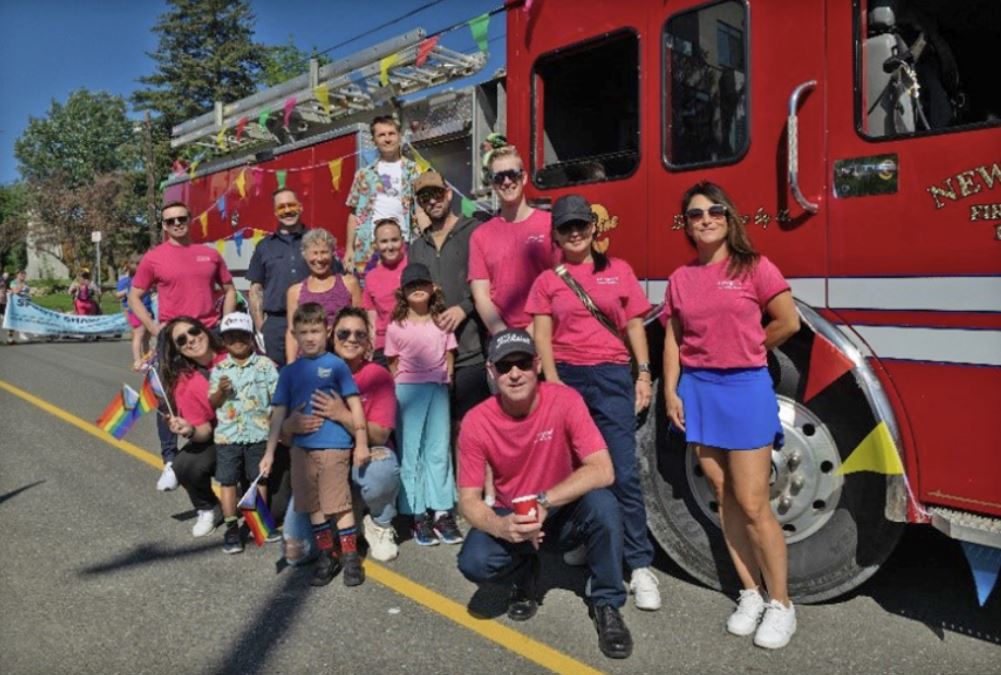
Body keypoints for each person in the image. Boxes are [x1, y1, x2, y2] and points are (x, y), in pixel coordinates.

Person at [662, 181, 801, 650]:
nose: (705, 219)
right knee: (722, 495)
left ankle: (782, 604)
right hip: (699, 390)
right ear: (687, 225)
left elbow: (788, 320)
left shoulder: (754, 267)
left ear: (729, 217)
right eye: (695, 214)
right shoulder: (681, 278)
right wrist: (672, 392)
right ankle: (750, 593)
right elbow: (674, 338)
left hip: (744, 389)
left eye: (714, 211)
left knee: (753, 500)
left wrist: (749, 348)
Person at [456, 329, 634, 660]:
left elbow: (603, 469)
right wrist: (501, 527)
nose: (514, 373)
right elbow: (468, 499)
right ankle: (525, 575)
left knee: (606, 506)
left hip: (562, 507)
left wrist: (545, 502)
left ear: (537, 364)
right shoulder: (476, 422)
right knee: (473, 562)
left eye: (522, 363)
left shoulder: (565, 400)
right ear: (491, 372)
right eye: (504, 366)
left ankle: (607, 604)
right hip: (515, 515)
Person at [525, 194, 661, 611]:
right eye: (567, 227)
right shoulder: (547, 281)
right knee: (575, 471)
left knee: (621, 470)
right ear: (557, 236)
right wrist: (552, 386)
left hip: (611, 376)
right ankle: (592, 539)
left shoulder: (618, 271)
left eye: (582, 225)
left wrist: (642, 372)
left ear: (593, 229)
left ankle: (639, 566)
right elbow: (542, 338)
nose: (576, 232)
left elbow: (635, 325)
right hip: (567, 376)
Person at [260, 302, 370, 587]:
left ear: (327, 332)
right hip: (300, 450)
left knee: (339, 504)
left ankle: (350, 557)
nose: (310, 337)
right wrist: (270, 452)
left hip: (334, 446)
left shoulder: (336, 366)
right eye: (304, 332)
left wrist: (360, 443)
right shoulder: (289, 373)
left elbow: (355, 406)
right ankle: (327, 553)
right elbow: (278, 415)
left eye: (316, 331)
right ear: (294, 335)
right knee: (314, 507)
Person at [130, 202, 237, 492]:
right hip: (174, 338)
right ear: (163, 226)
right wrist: (155, 329)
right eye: (170, 220)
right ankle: (170, 459)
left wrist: (225, 324)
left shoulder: (210, 254)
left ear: (191, 219)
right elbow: (134, 297)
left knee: (221, 391)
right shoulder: (154, 258)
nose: (177, 224)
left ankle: (227, 452)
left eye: (182, 218)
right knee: (169, 397)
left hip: (208, 333)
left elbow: (229, 290)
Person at [282, 307, 401, 562]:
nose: (351, 339)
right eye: (344, 333)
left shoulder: (377, 375)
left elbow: (380, 435)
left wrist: (342, 414)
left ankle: (379, 522)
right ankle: (349, 519)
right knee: (296, 553)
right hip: (320, 465)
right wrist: (289, 427)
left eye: (360, 334)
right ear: (331, 335)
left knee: (380, 471)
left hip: (363, 457)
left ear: (368, 341)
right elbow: (286, 438)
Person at [385, 262, 462, 546]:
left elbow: (450, 353)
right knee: (411, 450)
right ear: (403, 292)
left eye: (422, 284)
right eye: (411, 286)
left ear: (433, 289)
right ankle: (417, 513)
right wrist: (401, 388)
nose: (417, 289)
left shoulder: (441, 321)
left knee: (438, 448)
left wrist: (447, 378)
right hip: (408, 391)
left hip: (437, 388)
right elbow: (393, 362)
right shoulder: (396, 326)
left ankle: (441, 511)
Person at [408, 169, 491, 422]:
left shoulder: (475, 231)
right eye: (424, 198)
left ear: (448, 193)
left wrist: (464, 308)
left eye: (436, 194)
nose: (432, 201)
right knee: (438, 432)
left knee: (471, 428)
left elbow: (493, 285)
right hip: (432, 359)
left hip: (471, 351)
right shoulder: (417, 247)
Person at [207, 312, 280, 554]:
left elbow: (277, 399)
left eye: (242, 336)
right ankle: (231, 527)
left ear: (251, 338)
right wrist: (221, 391)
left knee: (258, 479)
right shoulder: (220, 369)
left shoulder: (265, 365)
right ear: (224, 342)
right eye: (230, 338)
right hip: (228, 436)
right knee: (228, 481)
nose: (236, 342)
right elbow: (213, 402)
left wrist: (274, 426)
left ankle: (258, 521)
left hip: (258, 433)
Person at [469, 146, 557, 336]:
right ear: (492, 184)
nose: (507, 182)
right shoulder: (480, 235)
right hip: (503, 339)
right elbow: (481, 295)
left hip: (548, 333)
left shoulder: (550, 225)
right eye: (499, 177)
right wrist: (506, 338)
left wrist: (533, 332)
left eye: (512, 174)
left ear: (524, 178)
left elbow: (561, 284)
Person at [247, 188, 340, 367]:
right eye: (281, 207)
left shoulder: (317, 242)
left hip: (314, 321)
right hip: (277, 325)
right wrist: (261, 326)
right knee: (280, 377)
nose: (288, 211)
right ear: (275, 212)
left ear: (300, 207)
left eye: (292, 205)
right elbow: (256, 288)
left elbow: (336, 278)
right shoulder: (264, 246)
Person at [159, 316, 227, 537]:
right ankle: (208, 507)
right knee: (185, 463)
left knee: (274, 510)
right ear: (178, 350)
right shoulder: (186, 383)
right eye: (181, 339)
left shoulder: (237, 349)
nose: (191, 339)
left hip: (262, 436)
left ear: (204, 330)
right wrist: (189, 430)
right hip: (224, 440)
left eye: (194, 331)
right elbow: (205, 431)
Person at [344, 115, 421, 278]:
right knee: (370, 292)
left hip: (403, 244)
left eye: (391, 134)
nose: (387, 139)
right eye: (381, 135)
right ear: (374, 140)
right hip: (369, 247)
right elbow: (353, 214)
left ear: (399, 136)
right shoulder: (363, 174)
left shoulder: (413, 170)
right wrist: (349, 248)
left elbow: (420, 210)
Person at [285, 229, 361, 364]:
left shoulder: (349, 283)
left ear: (332, 253)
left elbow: (361, 324)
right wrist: (291, 367)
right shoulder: (295, 291)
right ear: (305, 256)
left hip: (345, 360)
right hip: (308, 362)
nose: (319, 259)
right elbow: (292, 333)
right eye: (314, 253)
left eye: (324, 252)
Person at [362, 217, 407, 364]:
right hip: (384, 346)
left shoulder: (413, 265)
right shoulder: (371, 277)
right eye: (384, 241)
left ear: (402, 240)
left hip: (411, 341)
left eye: (394, 240)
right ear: (376, 245)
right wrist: (370, 346)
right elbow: (371, 317)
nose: (390, 246)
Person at [116, 256, 153, 370]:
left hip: (147, 309)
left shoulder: (144, 279)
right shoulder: (130, 281)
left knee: (146, 337)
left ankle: (146, 358)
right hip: (137, 311)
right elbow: (120, 295)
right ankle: (137, 360)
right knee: (138, 335)